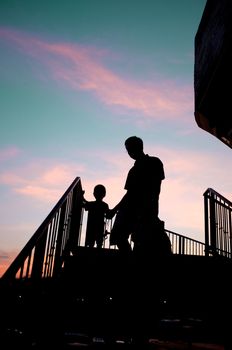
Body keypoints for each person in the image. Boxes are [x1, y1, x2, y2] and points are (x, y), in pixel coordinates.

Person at [109, 136, 167, 255]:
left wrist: (115, 210)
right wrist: (115, 210)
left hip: (145, 211)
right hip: (136, 210)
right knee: (119, 236)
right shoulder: (134, 170)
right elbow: (129, 194)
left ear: (140, 147)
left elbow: (153, 188)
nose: (129, 152)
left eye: (130, 148)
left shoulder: (154, 162)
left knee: (142, 241)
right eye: (128, 149)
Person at [83, 184, 110, 248]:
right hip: (100, 227)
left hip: (91, 226)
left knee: (91, 243)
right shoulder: (105, 205)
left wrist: (82, 195)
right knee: (99, 243)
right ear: (104, 195)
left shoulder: (92, 204)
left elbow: (85, 203)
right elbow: (108, 215)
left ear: (94, 194)